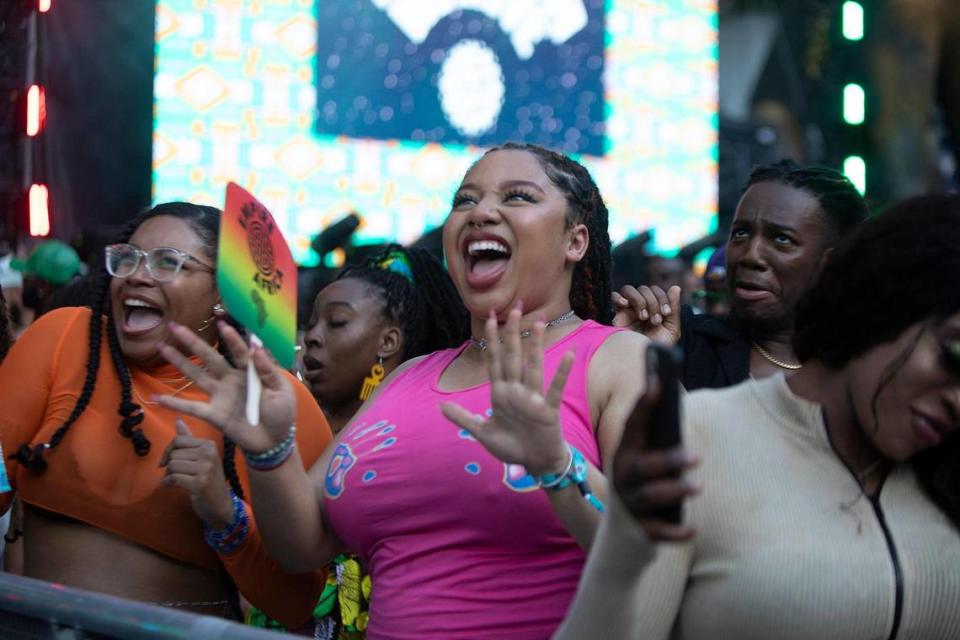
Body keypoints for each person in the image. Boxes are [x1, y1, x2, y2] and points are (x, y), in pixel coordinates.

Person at [158, 143, 651, 639]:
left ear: (576, 241)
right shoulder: (407, 377)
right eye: (465, 201)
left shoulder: (617, 359)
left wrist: (557, 466)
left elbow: (655, 547)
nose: (481, 212)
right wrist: (268, 450)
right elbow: (302, 545)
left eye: (518, 197)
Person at [558, 194, 960, 639]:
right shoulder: (698, 436)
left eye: (782, 239)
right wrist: (625, 545)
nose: (753, 256)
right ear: (881, 301)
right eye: (953, 353)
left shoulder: (943, 471)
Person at [0, 202, 332, 627]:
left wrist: (223, 512)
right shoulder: (64, 338)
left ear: (221, 294)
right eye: (129, 258)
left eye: (167, 263)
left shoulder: (269, 400)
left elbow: (301, 603)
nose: (138, 275)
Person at [248, 244, 469, 636]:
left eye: (336, 323)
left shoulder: (422, 436)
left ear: (388, 342)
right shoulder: (278, 424)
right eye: (310, 322)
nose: (312, 337)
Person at [614, 160, 867, 389]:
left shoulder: (867, 370)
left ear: (832, 261)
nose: (750, 255)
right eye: (741, 233)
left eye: (781, 239)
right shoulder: (682, 342)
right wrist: (635, 354)